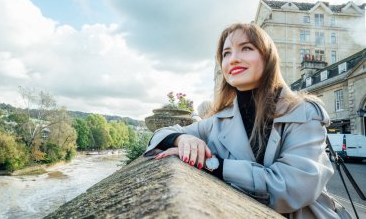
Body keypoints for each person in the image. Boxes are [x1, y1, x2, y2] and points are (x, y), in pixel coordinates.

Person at [144, 23, 344, 218]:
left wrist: (214, 165)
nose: (233, 59)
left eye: (246, 48)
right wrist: (181, 140)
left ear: (267, 57)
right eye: (226, 53)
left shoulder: (304, 112)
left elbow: (291, 188)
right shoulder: (219, 120)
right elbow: (161, 134)